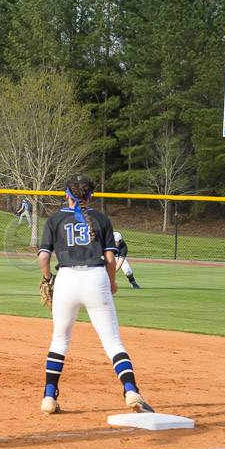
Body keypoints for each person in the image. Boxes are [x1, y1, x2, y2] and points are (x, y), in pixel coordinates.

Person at [37, 174, 153, 415]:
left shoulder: (55, 219)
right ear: (90, 196)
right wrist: (111, 283)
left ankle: (49, 397)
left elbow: (44, 257)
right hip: (96, 278)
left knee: (60, 340)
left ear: (65, 195)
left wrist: (48, 279)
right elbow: (111, 259)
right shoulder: (100, 219)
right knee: (112, 342)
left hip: (67, 279)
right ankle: (131, 391)